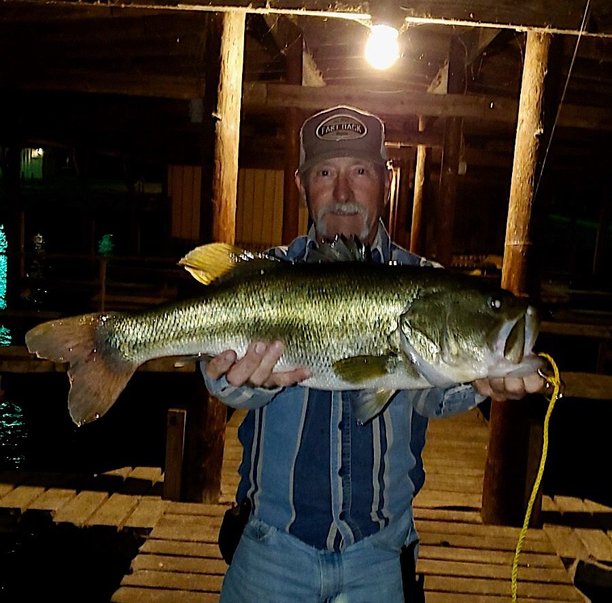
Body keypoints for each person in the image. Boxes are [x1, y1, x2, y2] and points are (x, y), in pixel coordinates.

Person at [202, 105, 545, 602]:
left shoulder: (424, 277)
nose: (343, 193)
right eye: (325, 173)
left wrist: (477, 382)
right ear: (302, 183)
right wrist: (233, 380)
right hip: (269, 548)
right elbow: (220, 383)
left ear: (384, 180)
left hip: (379, 556)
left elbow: (430, 397)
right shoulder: (268, 273)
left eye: (359, 171)